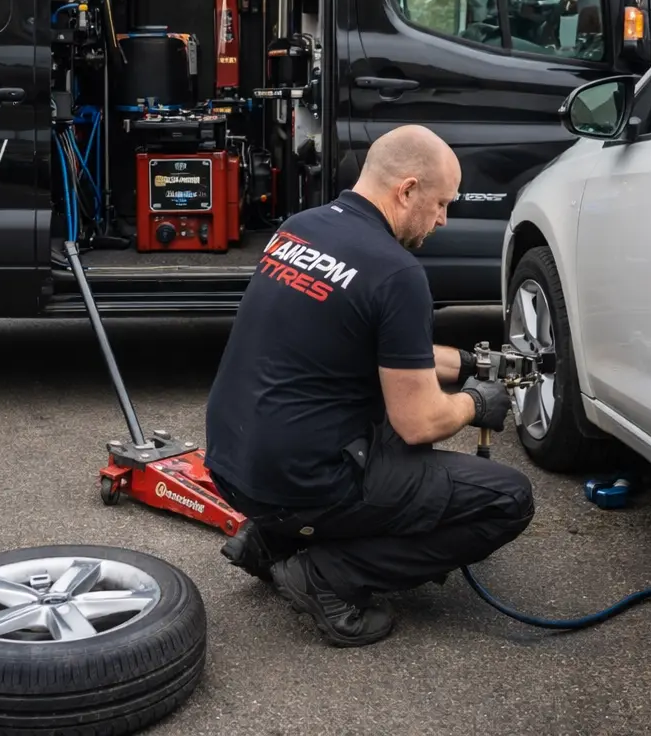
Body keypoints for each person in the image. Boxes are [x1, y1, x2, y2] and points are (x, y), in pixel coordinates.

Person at [202, 124, 533, 647]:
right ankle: (328, 576)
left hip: (232, 464)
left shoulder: (301, 227)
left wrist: (467, 363)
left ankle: (268, 542)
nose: (443, 219)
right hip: (299, 483)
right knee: (508, 499)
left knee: (374, 419)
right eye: (442, 203)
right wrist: (474, 403)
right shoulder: (397, 272)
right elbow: (419, 422)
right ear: (406, 190)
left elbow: (367, 341)